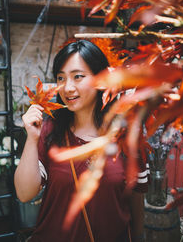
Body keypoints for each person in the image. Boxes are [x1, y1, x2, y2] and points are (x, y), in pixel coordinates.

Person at [14, 40, 148, 242]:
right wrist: (32, 139)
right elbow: (24, 193)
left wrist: (138, 237)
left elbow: (137, 195)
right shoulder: (50, 130)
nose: (67, 87)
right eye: (61, 78)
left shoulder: (125, 133)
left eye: (78, 76)